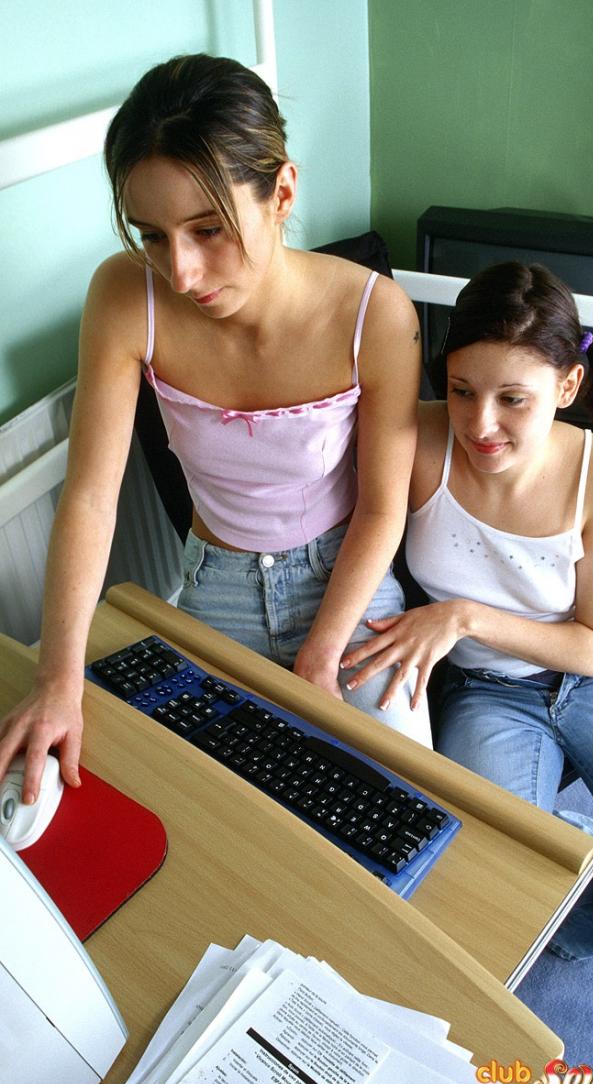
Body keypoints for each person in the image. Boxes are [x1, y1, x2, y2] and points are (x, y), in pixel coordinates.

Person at [0, 53, 431, 805]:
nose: (182, 273)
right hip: (214, 585)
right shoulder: (124, 295)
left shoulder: (375, 316)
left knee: (402, 802)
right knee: (214, 811)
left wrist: (322, 652)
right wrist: (57, 679)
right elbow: (92, 498)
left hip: (347, 587)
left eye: (208, 229)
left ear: (282, 193)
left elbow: (381, 506)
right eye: (152, 235)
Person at [342, 261, 593, 969]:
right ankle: (554, 885)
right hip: (489, 696)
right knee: (480, 907)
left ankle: (558, 900)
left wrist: (463, 617)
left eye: (513, 399)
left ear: (567, 386)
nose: (480, 424)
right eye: (462, 390)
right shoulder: (417, 440)